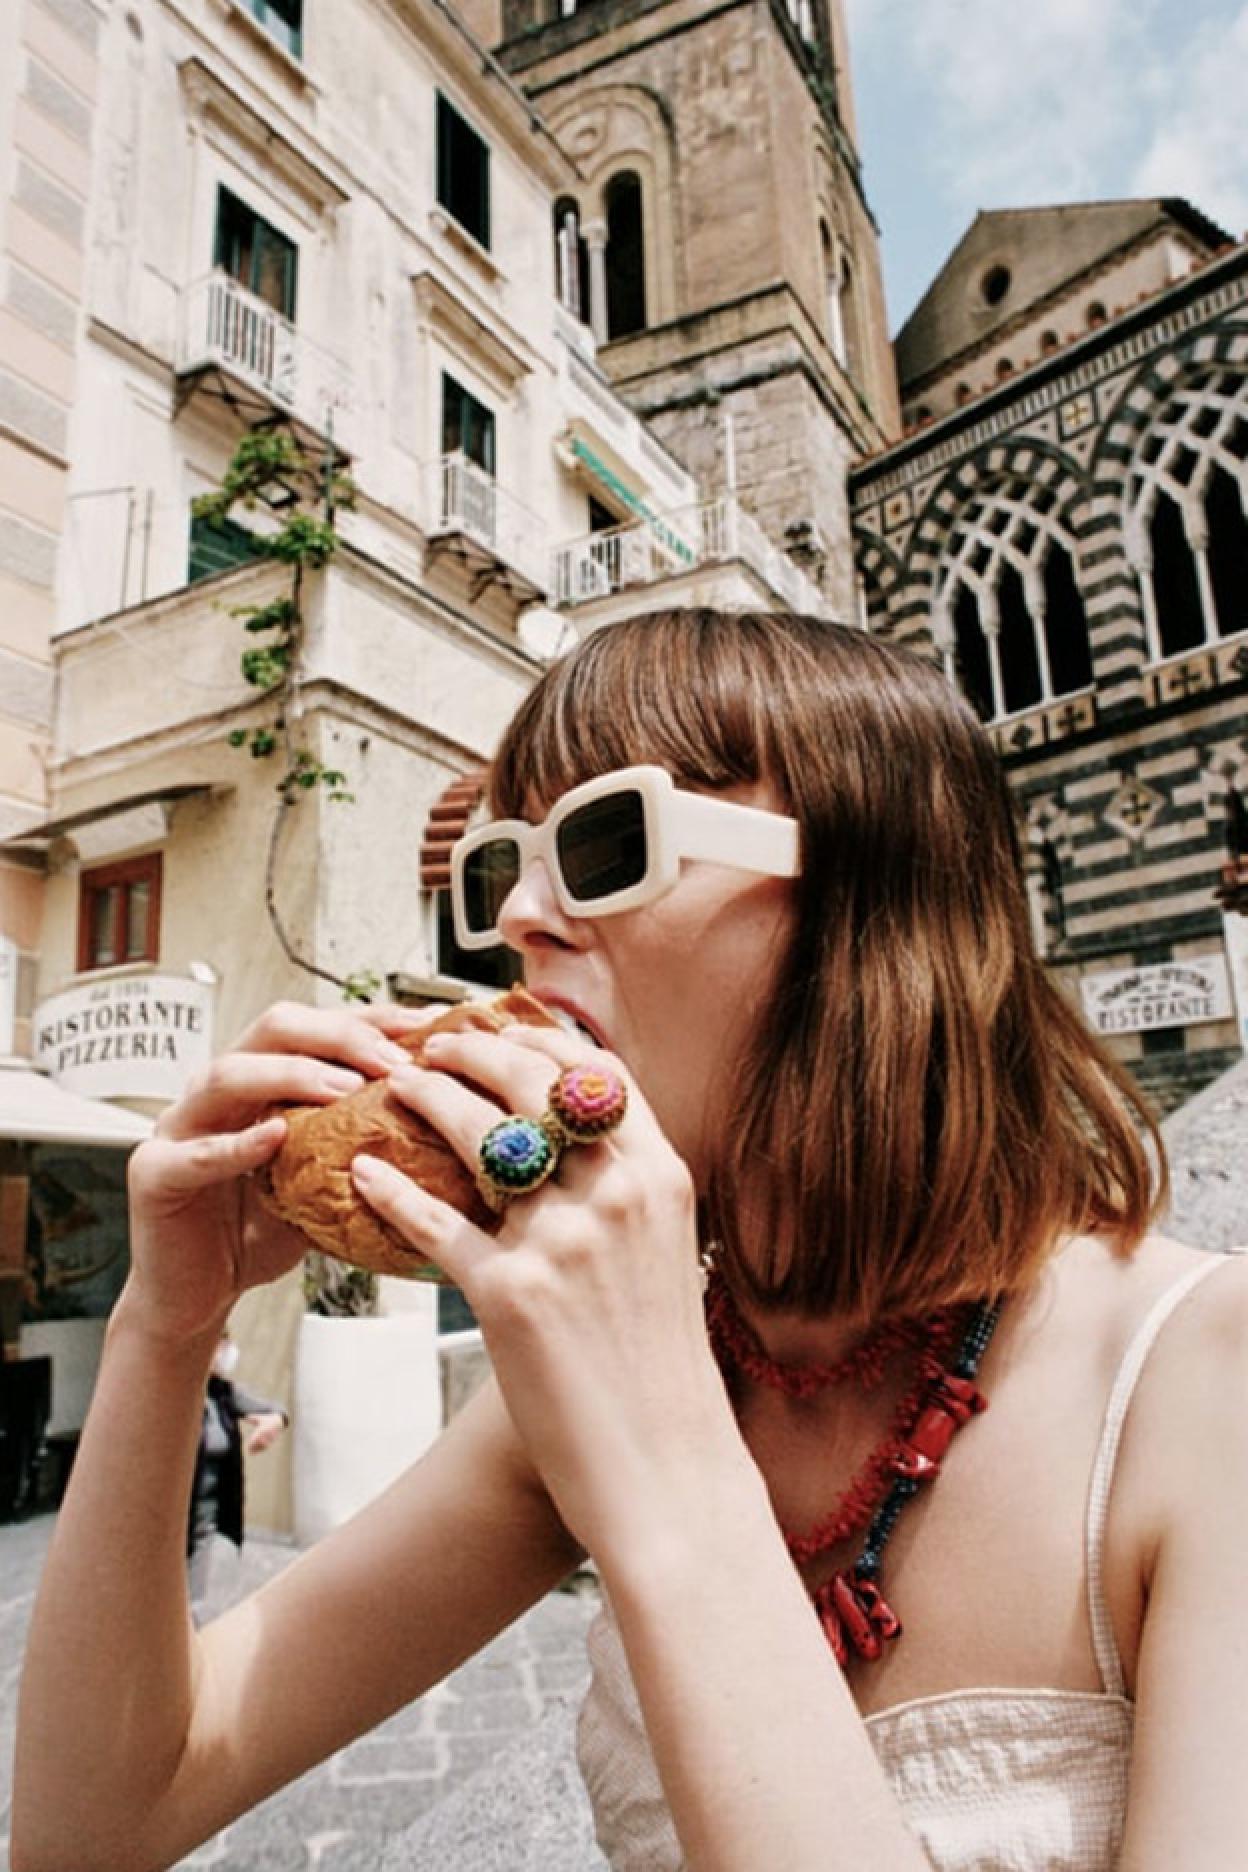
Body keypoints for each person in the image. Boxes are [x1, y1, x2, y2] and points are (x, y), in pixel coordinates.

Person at [12, 608, 1248, 1872]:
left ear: (872, 905)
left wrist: (658, 1455)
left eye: (608, 840)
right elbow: (97, 1824)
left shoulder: (1209, 1383)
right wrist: (164, 1328)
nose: (521, 919)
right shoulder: (598, 1394)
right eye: (500, 865)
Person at [186, 1332, 288, 1622]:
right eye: (219, 1343)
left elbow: (274, 1410)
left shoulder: (223, 1393)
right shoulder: (177, 1395)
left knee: (197, 1602)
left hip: (209, 1517)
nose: (226, 1351)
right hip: (175, 1518)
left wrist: (272, 1424)